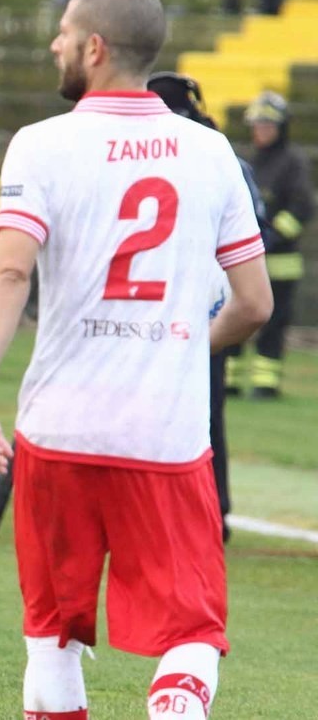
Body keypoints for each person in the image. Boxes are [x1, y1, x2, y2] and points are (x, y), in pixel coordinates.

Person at [0, 0, 272, 720]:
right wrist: (188, 346)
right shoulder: (210, 150)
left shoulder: (41, 142)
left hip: (57, 430)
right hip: (162, 434)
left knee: (52, 635)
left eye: (64, 33)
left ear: (94, 48)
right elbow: (254, 302)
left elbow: (8, 270)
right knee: (192, 631)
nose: (54, 45)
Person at [146, 71, 268, 543]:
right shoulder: (220, 155)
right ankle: (211, 513)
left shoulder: (195, 156)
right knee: (204, 411)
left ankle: (200, 512)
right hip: (203, 308)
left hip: (164, 308)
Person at [225, 90, 314, 399]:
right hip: (248, 258)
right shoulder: (251, 160)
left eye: (267, 126)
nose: (261, 132)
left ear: (281, 128)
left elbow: (302, 207)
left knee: (274, 323)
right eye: (257, 126)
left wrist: (274, 234)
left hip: (281, 261)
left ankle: (266, 383)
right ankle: (230, 380)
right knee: (235, 316)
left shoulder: (292, 162)